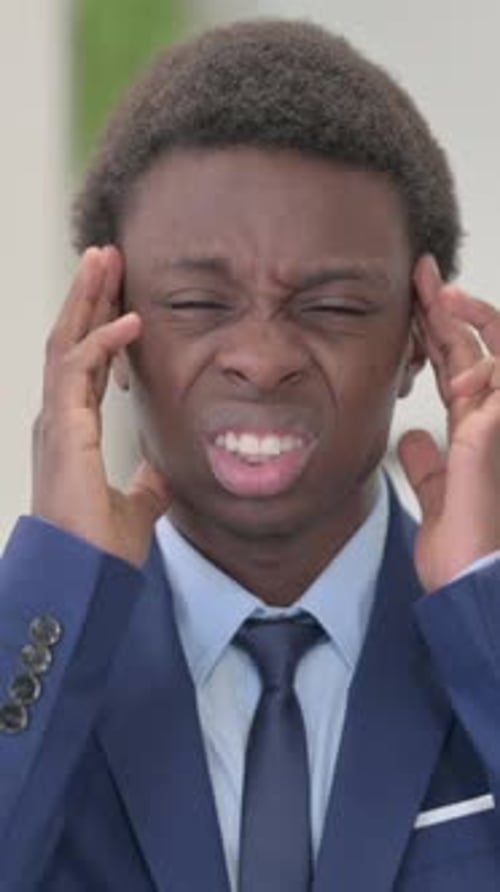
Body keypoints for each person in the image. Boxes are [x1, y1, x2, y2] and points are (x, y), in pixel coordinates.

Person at [1, 17, 500, 892]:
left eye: (335, 306)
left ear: (422, 339)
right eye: (197, 302)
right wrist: (58, 590)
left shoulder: (482, 630)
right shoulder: (38, 654)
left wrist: (486, 597)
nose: (262, 359)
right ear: (111, 338)